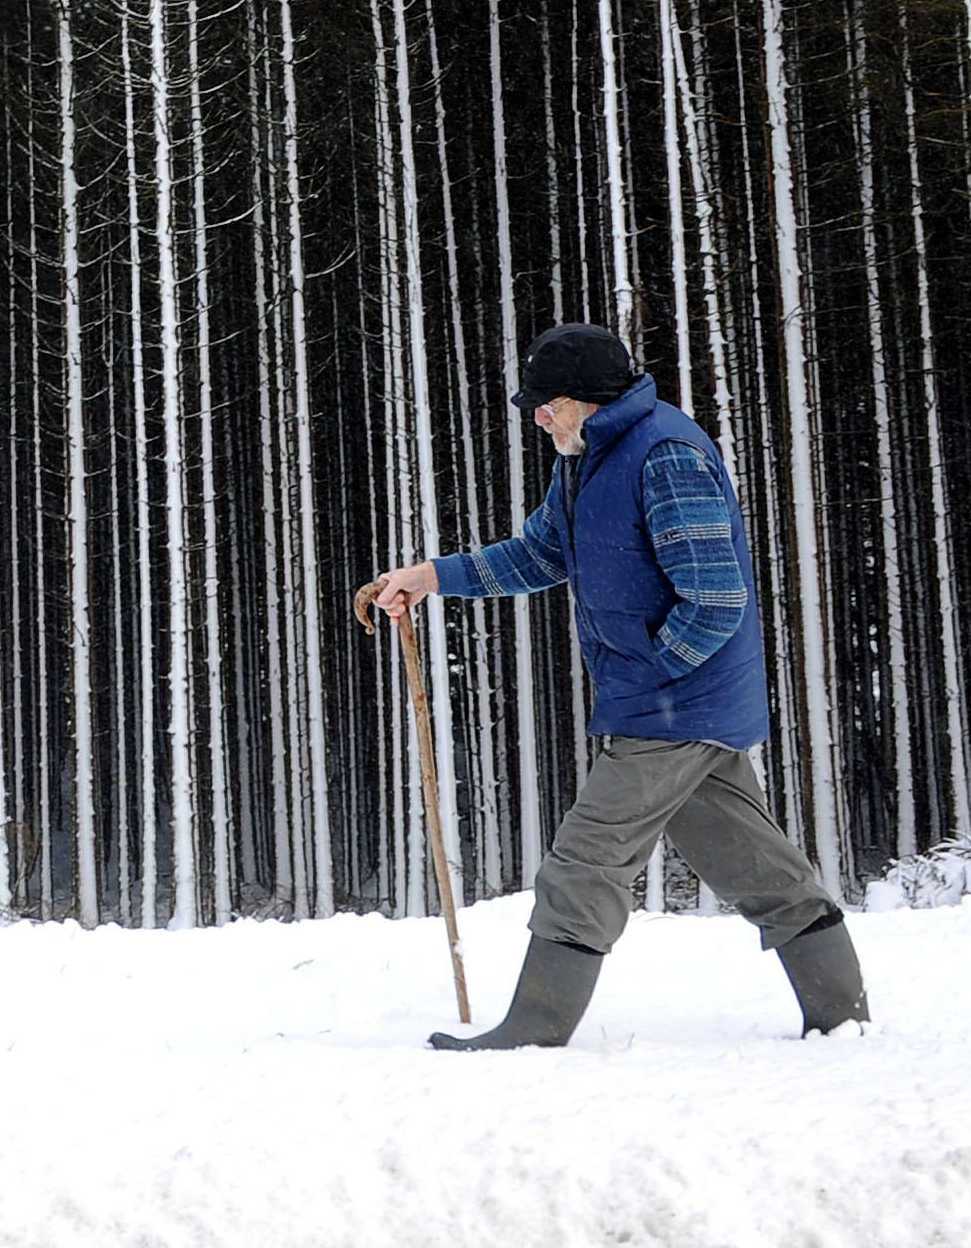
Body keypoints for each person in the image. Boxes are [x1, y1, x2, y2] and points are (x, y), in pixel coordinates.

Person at [352, 321, 869, 1050]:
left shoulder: (663, 455)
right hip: (670, 701)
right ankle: (842, 1018)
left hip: (675, 705)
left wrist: (657, 675)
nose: (536, 415)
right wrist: (433, 578)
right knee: (754, 863)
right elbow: (539, 553)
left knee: (585, 860)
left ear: (589, 398)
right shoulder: (589, 456)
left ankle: (536, 1027)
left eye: (547, 401)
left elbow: (716, 597)